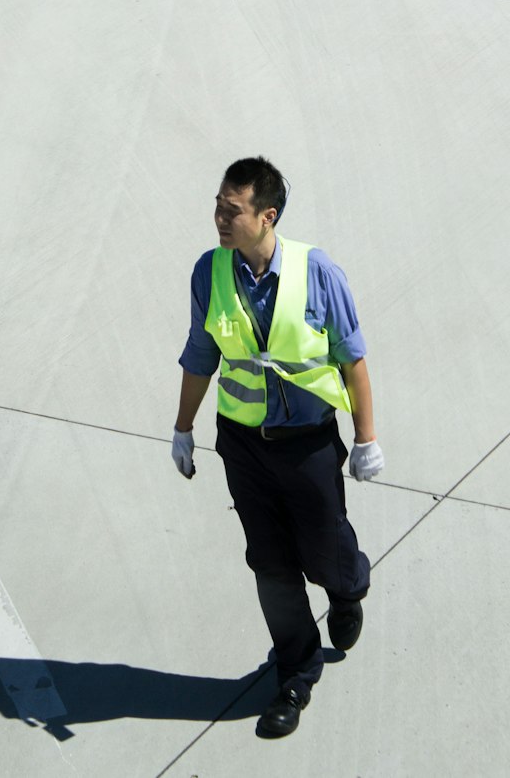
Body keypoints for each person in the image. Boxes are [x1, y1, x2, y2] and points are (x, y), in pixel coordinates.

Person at [172, 156, 385, 739]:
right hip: (242, 445)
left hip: (308, 445)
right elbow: (200, 354)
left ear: (267, 216)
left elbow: (352, 358)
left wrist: (366, 438)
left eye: (232, 209)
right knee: (269, 563)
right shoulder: (208, 272)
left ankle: (348, 590)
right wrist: (183, 427)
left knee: (324, 550)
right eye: (218, 205)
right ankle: (295, 671)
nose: (219, 217)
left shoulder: (318, 272)